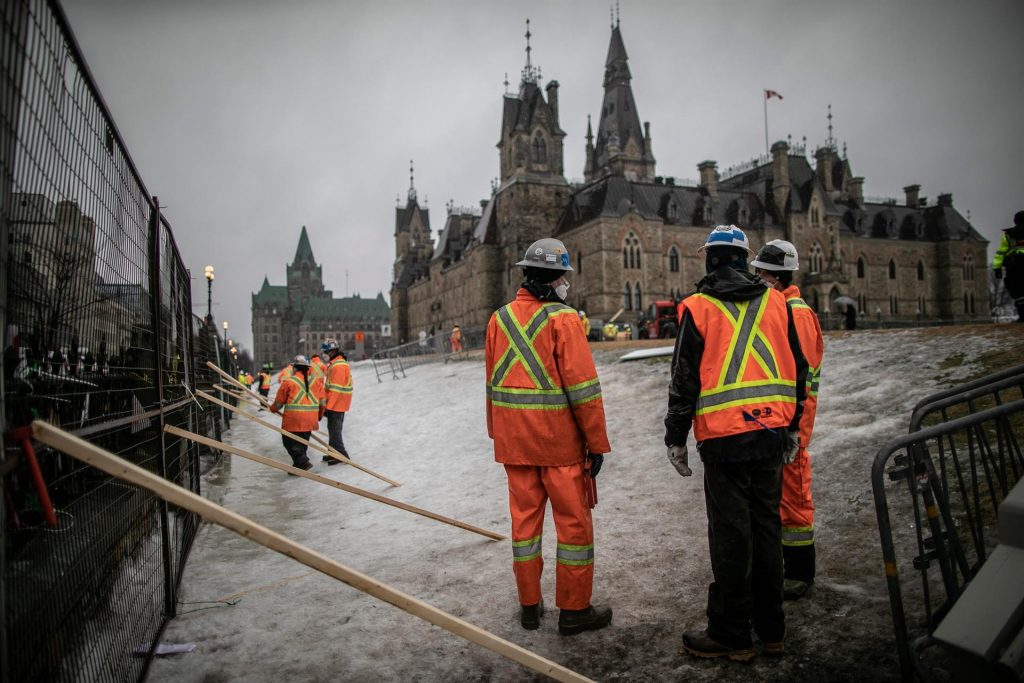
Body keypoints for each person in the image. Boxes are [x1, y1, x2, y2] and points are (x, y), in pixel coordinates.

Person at [664, 225, 807, 661]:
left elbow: (684, 379)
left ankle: (732, 634)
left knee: (732, 538)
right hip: (771, 436)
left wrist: (676, 436)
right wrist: (795, 425)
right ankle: (772, 630)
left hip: (724, 440)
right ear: (744, 259)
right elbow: (798, 370)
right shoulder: (778, 303)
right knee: (767, 532)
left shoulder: (699, 307)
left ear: (710, 259)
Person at [485, 237, 613, 636]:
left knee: (524, 529)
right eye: (564, 277)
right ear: (557, 277)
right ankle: (574, 611)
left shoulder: (498, 320)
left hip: (515, 445)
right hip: (560, 446)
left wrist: (498, 433)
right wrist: (596, 443)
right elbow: (584, 390)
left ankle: (529, 606)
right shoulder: (564, 320)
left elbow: (492, 384)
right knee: (573, 527)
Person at [752, 240, 825, 601]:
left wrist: (795, 426)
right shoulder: (781, 307)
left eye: (761, 273)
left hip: (794, 423)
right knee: (781, 496)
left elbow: (801, 375)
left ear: (777, 275)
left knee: (794, 496)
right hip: (783, 420)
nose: (757, 278)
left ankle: (799, 573)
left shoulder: (795, 312)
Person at [268, 354, 325, 472]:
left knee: (288, 441)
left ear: (295, 368)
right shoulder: (316, 382)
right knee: (302, 443)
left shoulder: (289, 382)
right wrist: (319, 416)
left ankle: (303, 462)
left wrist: (272, 409)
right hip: (310, 420)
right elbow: (323, 402)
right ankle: (299, 466)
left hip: (293, 420)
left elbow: (279, 403)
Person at [321, 339, 353, 465]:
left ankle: (341, 454)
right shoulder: (335, 364)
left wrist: (329, 406)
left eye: (325, 351)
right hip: (337, 402)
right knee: (332, 428)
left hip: (337, 403)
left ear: (332, 351)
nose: (324, 354)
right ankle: (332, 453)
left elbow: (336, 388)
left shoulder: (339, 366)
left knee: (335, 430)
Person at [993, 210, 1024, 322]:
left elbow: (1001, 253)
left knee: (1018, 294)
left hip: (1013, 267)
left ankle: (1023, 316)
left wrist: (997, 268)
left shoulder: (1009, 235)